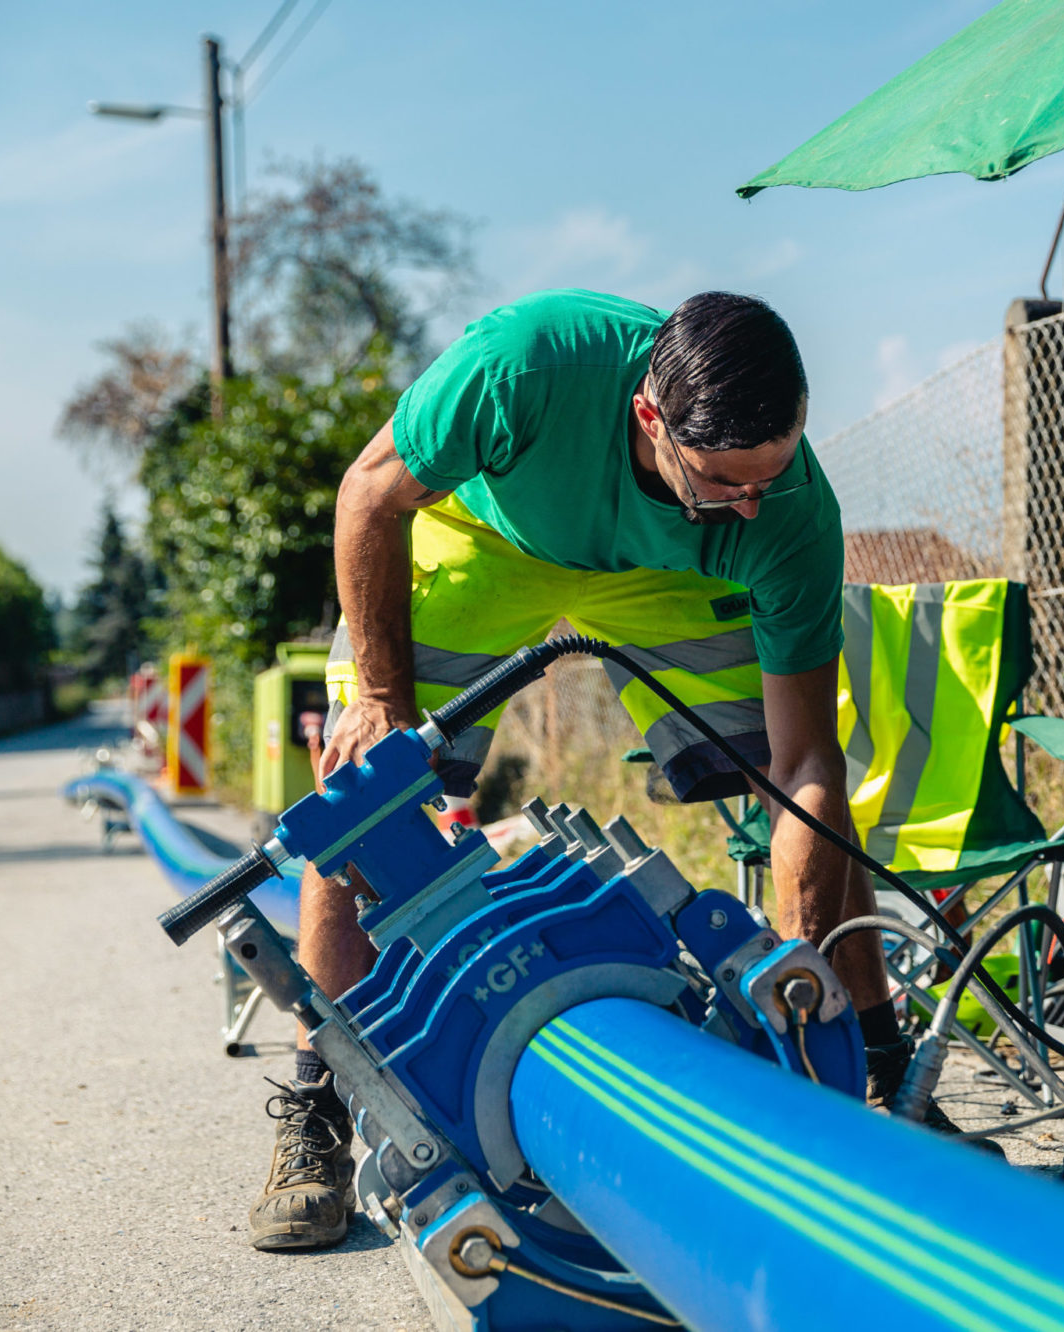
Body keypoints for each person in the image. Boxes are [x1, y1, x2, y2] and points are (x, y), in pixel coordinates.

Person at [248, 288, 932, 1253]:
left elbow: (807, 761)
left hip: (666, 577)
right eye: (725, 482)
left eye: (769, 479)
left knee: (800, 793)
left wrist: (800, 1005)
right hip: (489, 539)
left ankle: (877, 1068)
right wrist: (384, 711)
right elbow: (368, 493)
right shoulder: (525, 367)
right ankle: (318, 1110)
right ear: (650, 418)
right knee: (363, 790)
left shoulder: (783, 517)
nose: (752, 503)